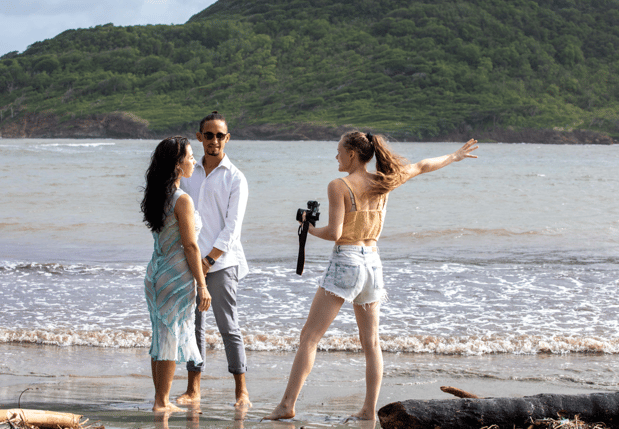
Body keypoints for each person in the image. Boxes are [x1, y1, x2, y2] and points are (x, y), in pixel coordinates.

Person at [264, 132, 478, 421]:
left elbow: (335, 233)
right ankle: (368, 410)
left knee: (309, 338)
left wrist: (308, 228)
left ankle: (287, 404)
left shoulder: (338, 185)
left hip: (347, 262)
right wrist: (454, 156)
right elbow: (423, 165)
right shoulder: (383, 180)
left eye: (339, 151)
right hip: (373, 264)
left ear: (352, 153)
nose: (336, 156)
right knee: (372, 343)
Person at [177, 111, 251, 408]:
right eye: (209, 135)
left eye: (220, 135)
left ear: (227, 138)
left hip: (222, 263)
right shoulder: (187, 173)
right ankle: (193, 388)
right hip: (189, 260)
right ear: (199, 137)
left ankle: (241, 390)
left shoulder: (236, 178)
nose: (215, 140)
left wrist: (208, 260)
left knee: (227, 325)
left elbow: (232, 228)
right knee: (193, 324)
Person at [141, 136, 211, 412]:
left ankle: (160, 398)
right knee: (168, 337)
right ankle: (162, 402)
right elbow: (191, 245)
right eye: (190, 157)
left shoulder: (159, 194)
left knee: (160, 336)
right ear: (177, 164)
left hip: (156, 273)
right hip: (175, 276)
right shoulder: (182, 199)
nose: (194, 161)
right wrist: (202, 285)